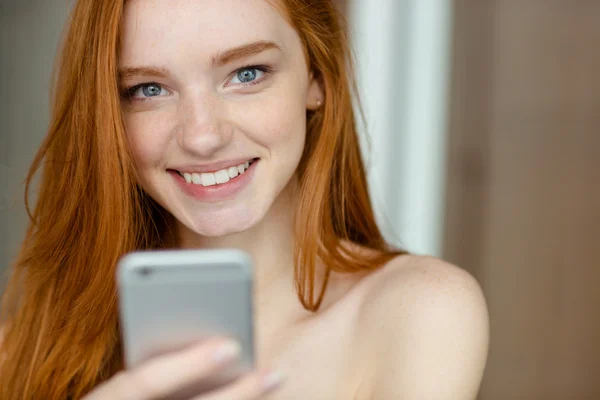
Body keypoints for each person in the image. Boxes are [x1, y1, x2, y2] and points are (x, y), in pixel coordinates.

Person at [0, 0, 489, 398]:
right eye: (148, 88)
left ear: (317, 79)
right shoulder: (24, 347)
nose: (202, 136)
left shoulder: (418, 313)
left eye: (247, 74)